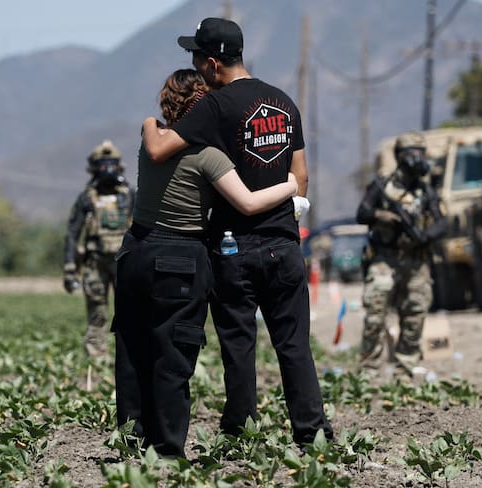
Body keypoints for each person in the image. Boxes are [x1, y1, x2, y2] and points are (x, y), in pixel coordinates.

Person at [141, 17, 333, 446]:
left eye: (196, 59)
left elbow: (159, 150)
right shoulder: (284, 102)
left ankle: (241, 430)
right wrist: (285, 223)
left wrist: (149, 125)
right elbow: (300, 176)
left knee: (238, 345)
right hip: (284, 245)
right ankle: (311, 431)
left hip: (233, 247)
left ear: (212, 64)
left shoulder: (216, 105)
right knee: (294, 344)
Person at [114, 68, 300, 458]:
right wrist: (291, 185)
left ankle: (131, 442)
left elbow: (153, 131)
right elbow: (248, 203)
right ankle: (166, 450)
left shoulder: (152, 135)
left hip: (135, 251)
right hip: (179, 257)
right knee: (173, 353)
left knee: (132, 350)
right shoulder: (209, 156)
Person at [356, 131, 448, 378]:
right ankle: (369, 371)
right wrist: (384, 216)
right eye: (412, 153)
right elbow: (362, 214)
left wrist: (426, 236)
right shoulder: (381, 186)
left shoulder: (426, 191)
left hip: (416, 260)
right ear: (399, 156)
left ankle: (404, 370)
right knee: (375, 315)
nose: (418, 158)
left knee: (415, 315)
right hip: (384, 259)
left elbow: (442, 222)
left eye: (421, 153)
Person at [63, 140, 135, 357]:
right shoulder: (86, 197)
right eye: (103, 164)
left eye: (111, 164)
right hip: (96, 263)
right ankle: (96, 359)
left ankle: (130, 358)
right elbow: (72, 233)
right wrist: (69, 269)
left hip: (126, 262)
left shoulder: (130, 195)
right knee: (97, 313)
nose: (108, 169)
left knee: (131, 313)